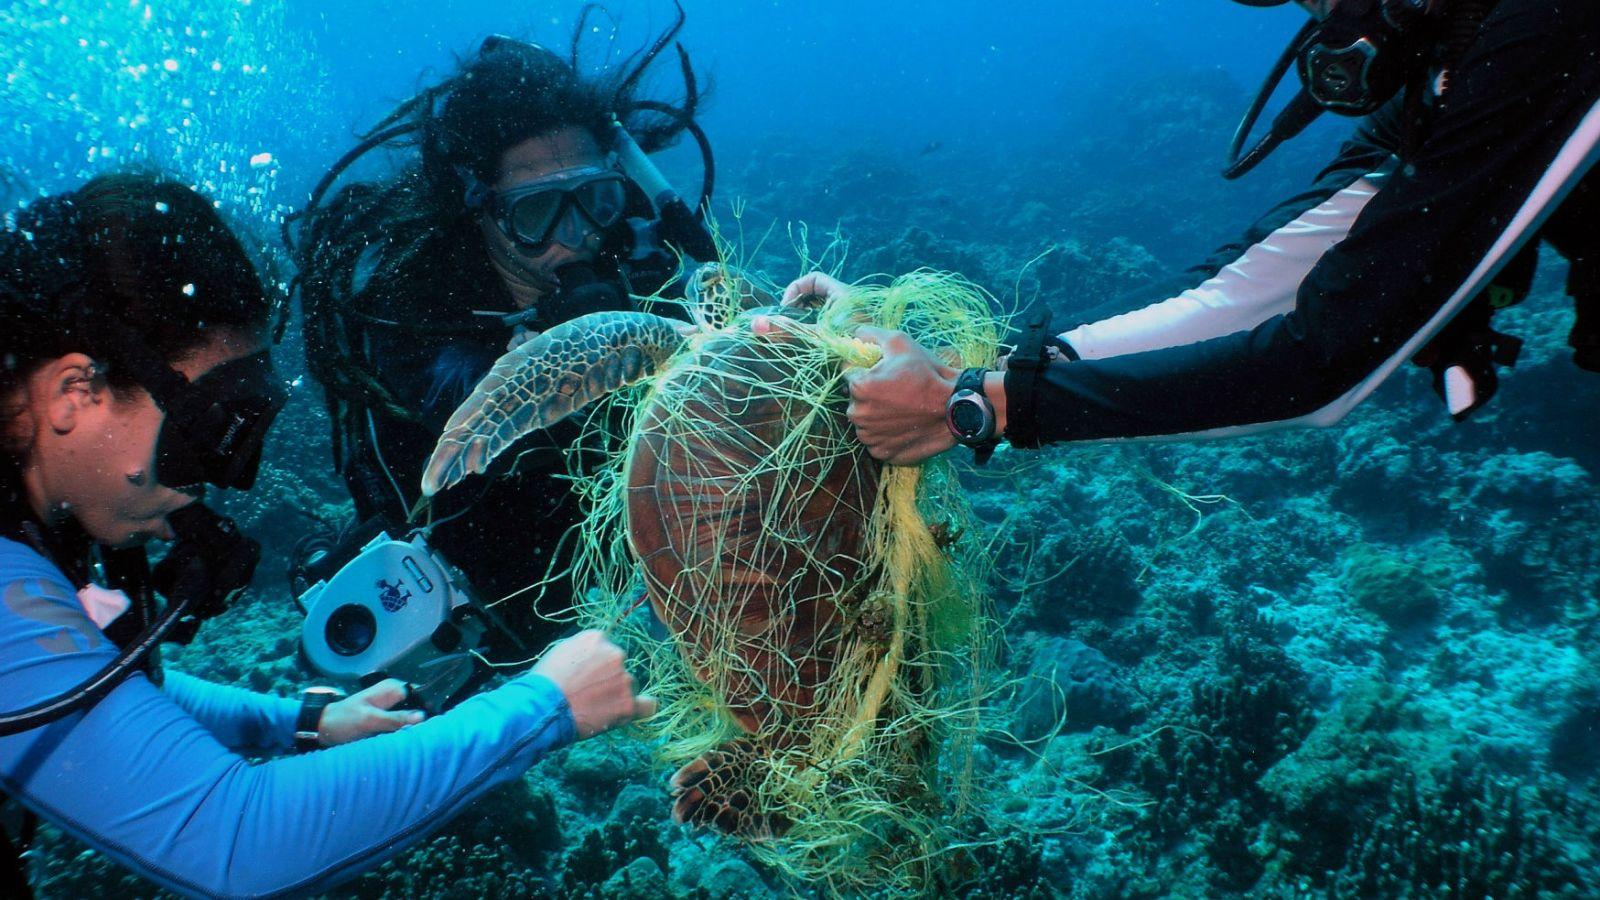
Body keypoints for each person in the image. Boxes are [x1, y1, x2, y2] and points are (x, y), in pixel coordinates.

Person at [0, 173, 652, 897]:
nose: (214, 484)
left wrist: (304, 721)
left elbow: (102, 690)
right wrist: (544, 707)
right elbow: (232, 836)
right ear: (73, 395)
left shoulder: (37, 536)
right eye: (209, 432)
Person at [785, 0, 1599, 464]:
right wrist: (970, 374)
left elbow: (1323, 368)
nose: (1320, 16)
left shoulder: (1553, 25)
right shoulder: (1449, 60)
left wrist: (979, 408)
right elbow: (1239, 293)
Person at [292, 15, 714, 653]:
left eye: (596, 201)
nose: (575, 236)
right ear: (479, 207)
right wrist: (531, 366)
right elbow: (444, 411)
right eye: (537, 211)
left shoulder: (640, 264)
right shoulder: (416, 308)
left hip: (640, 561)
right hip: (491, 576)